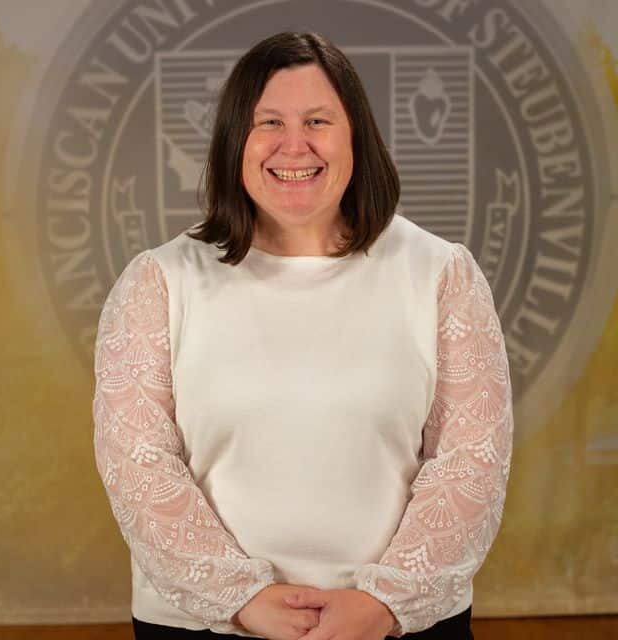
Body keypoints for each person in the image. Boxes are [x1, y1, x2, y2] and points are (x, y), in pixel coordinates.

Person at [92, 31, 514, 640]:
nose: (296, 145)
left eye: (319, 120)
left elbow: (472, 462)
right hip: (209, 625)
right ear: (236, 139)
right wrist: (242, 597)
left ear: (355, 138)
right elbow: (138, 467)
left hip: (397, 627)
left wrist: (384, 602)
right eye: (269, 122)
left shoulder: (442, 273)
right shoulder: (158, 281)